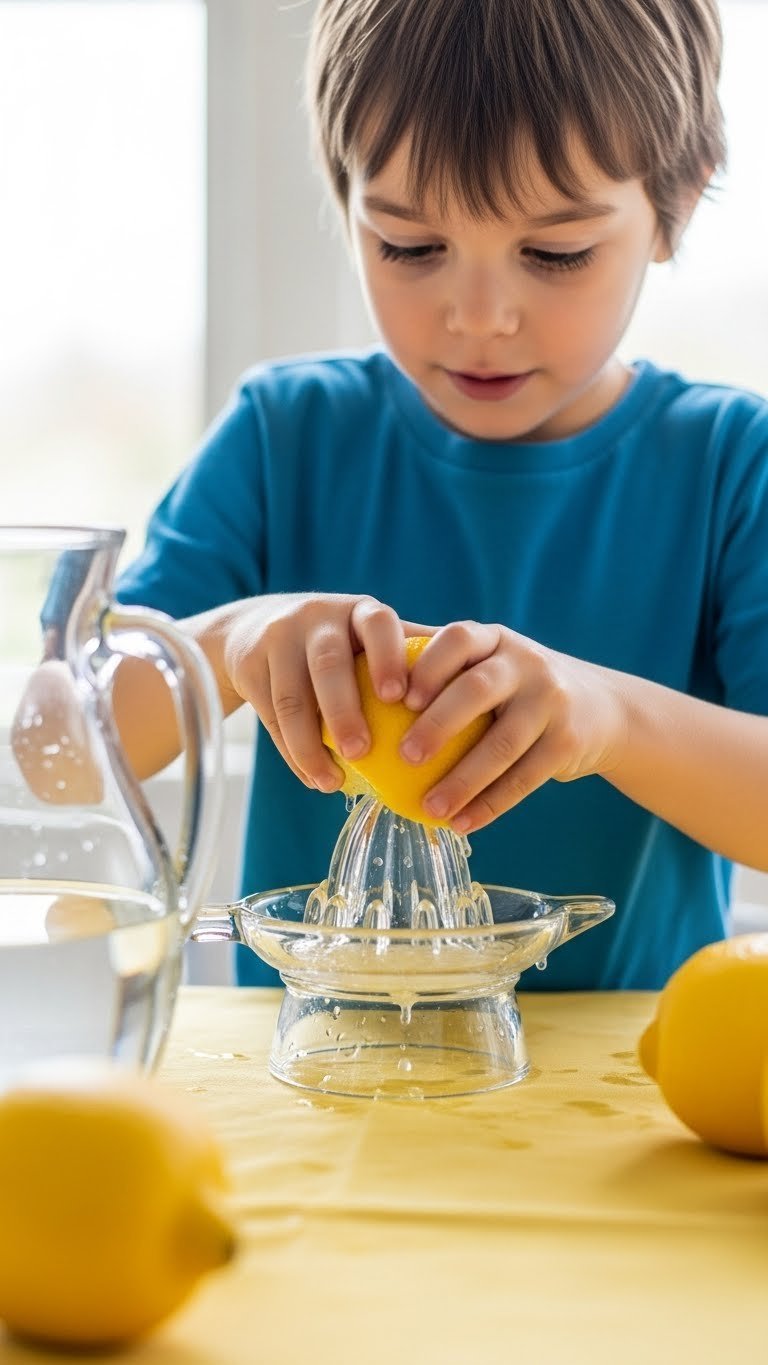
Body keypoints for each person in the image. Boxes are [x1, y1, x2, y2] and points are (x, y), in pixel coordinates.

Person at [114, 0, 768, 990]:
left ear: (675, 206)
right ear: (346, 203)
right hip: (315, 1097)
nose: (478, 317)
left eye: (556, 254)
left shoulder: (728, 462)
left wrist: (608, 719)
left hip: (633, 1101)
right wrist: (235, 643)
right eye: (411, 246)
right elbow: (64, 753)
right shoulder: (283, 435)